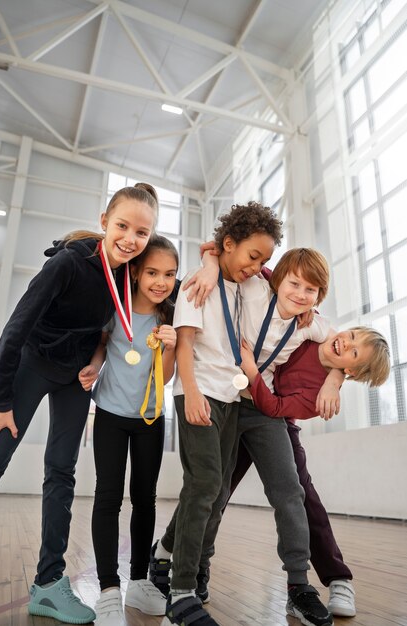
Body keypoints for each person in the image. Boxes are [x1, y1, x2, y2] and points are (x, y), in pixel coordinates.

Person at [157, 203, 335, 626]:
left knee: (285, 491)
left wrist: (334, 381)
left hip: (256, 404)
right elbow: (218, 251)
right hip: (215, 395)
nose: (299, 293)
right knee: (210, 489)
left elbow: (345, 347)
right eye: (292, 282)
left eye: (310, 290)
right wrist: (208, 261)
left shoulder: (305, 317)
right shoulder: (243, 284)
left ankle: (298, 585)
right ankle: (188, 573)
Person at [0, 182, 159, 624]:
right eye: (123, 226)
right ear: (105, 222)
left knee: (61, 473)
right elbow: (13, 331)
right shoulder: (68, 263)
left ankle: (47, 584)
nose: (131, 238)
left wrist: (95, 362)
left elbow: (116, 322)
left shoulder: (130, 272)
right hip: (31, 366)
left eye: (142, 232)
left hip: (74, 380)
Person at [196, 325, 391, 618]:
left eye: (354, 350)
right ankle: (187, 559)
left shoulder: (328, 377)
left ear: (351, 371)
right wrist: (336, 376)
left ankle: (337, 578)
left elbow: (279, 405)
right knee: (213, 491)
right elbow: (284, 286)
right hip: (237, 409)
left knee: (300, 497)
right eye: (351, 337)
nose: (346, 343)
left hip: (277, 421)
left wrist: (333, 379)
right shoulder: (316, 329)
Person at [76, 235, 179, 626]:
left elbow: (167, 378)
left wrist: (169, 347)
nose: (160, 281)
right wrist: (94, 366)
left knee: (145, 498)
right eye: (152, 271)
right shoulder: (114, 307)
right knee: (107, 496)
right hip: (111, 414)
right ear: (134, 271)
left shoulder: (169, 317)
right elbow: (104, 347)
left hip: (151, 418)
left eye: (169, 273)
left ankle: (138, 580)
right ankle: (107, 589)